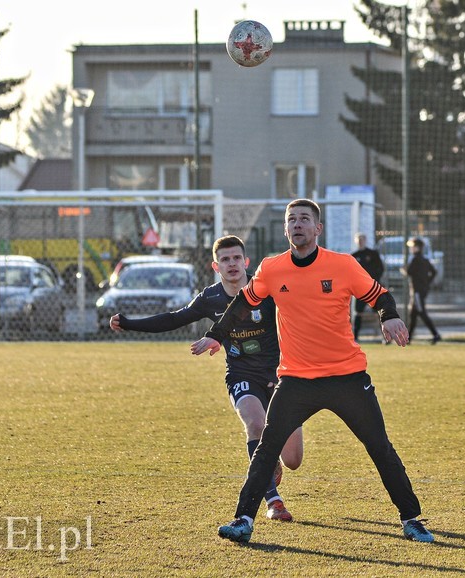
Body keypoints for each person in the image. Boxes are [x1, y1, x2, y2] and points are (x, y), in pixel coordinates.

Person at [191, 199, 434, 544]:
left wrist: (389, 315)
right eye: (292, 220)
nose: (298, 224)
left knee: (380, 447)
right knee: (266, 448)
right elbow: (242, 304)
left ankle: (412, 519)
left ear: (317, 229)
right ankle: (243, 519)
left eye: (305, 219)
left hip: (347, 378)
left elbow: (379, 295)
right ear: (286, 229)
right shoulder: (272, 269)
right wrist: (215, 335)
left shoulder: (343, 265)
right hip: (296, 380)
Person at [110, 235, 303, 522]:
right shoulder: (210, 298)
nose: (232, 264)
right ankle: (273, 500)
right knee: (255, 424)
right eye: (225, 259)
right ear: (216, 266)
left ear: (246, 262)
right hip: (241, 375)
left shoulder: (266, 289)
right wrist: (128, 323)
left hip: (280, 375)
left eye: (237, 258)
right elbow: (175, 318)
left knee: (293, 460)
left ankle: (271, 460)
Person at [404, 237, 442, 345]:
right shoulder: (425, 260)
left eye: (412, 247)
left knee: (421, 312)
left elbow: (409, 272)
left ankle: (436, 334)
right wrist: (427, 283)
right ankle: (408, 338)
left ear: (416, 248)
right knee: (413, 314)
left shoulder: (415, 259)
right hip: (422, 290)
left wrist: (404, 270)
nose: (411, 249)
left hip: (417, 291)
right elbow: (433, 272)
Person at [351, 233, 384, 341]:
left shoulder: (373, 254)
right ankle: (355, 337)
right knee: (358, 313)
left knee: (379, 312)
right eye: (359, 239)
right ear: (356, 241)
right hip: (360, 290)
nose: (361, 241)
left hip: (372, 288)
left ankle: (385, 337)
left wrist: (374, 281)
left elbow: (380, 268)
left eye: (363, 239)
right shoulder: (353, 256)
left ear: (366, 240)